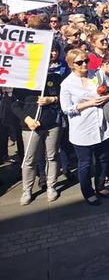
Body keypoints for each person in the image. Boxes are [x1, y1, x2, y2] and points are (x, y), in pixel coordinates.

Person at [60, 49, 109, 206]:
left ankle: (100, 186)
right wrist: (89, 103)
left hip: (102, 125)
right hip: (82, 128)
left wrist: (108, 95)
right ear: (71, 65)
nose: (84, 64)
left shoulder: (97, 75)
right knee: (85, 163)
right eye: (79, 62)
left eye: (86, 61)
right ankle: (88, 192)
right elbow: (66, 108)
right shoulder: (67, 84)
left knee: (103, 159)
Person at [14, 63, 64, 205]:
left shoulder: (54, 78)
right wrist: (26, 118)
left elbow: (63, 97)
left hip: (52, 124)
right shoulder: (22, 82)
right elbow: (14, 105)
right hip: (30, 127)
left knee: (52, 156)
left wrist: (52, 99)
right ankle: (27, 189)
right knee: (29, 159)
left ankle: (51, 186)